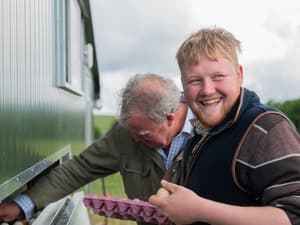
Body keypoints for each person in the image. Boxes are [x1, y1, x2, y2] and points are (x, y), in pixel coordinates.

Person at [149, 27, 300, 225]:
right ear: (183, 86)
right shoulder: (202, 132)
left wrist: (199, 210)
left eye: (218, 76)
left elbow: (292, 216)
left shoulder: (265, 129)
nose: (207, 90)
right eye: (194, 80)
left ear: (239, 75)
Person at [0, 73, 194, 224]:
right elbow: (80, 169)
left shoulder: (208, 133)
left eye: (142, 134)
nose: (133, 139)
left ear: (169, 118)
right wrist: (21, 205)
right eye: (131, 131)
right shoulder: (127, 132)